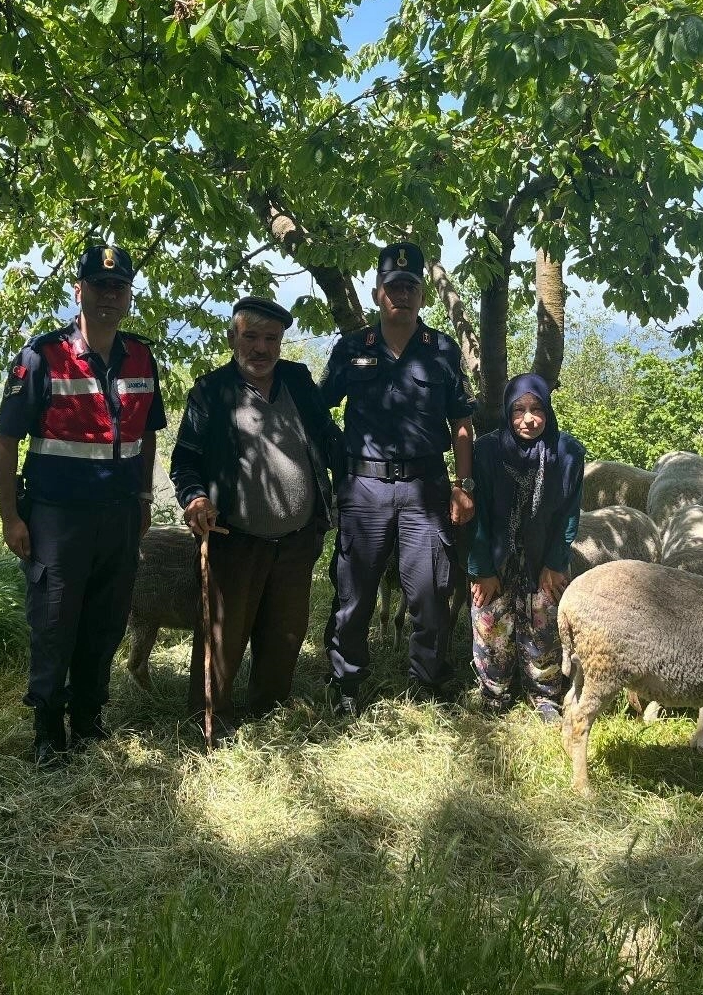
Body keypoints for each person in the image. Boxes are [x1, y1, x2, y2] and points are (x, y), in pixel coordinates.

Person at [0, 243, 166, 769]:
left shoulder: (141, 356)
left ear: (128, 295)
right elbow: (4, 440)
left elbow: (147, 436)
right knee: (54, 623)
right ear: (80, 291)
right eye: (100, 286)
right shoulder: (43, 356)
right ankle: (48, 730)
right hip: (57, 518)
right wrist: (10, 517)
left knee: (106, 622)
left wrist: (142, 498)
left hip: (118, 515)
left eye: (119, 287)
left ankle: (89, 719)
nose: (110, 296)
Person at [170, 296, 342, 736]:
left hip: (298, 538)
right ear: (233, 338)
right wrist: (194, 498)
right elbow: (184, 460)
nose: (262, 348)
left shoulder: (298, 380)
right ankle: (212, 720)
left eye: (271, 338)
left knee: (285, 635)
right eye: (251, 337)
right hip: (234, 537)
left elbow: (326, 435)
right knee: (222, 639)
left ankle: (269, 711)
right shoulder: (211, 391)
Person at [321, 242, 476, 714]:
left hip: (425, 488)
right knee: (354, 591)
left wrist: (464, 486)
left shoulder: (442, 351)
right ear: (377, 294)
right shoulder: (352, 348)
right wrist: (338, 459)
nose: (401, 296)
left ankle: (427, 680)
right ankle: (346, 683)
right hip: (363, 488)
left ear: (422, 296)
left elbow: (462, 424)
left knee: (430, 589)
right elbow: (317, 409)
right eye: (393, 288)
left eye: (410, 288)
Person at [467, 373, 585, 722]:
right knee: (490, 621)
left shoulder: (567, 453)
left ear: (548, 411)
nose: (528, 419)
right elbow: (478, 515)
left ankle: (545, 694)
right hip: (496, 554)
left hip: (542, 554)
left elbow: (568, 513)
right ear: (507, 412)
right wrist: (482, 569)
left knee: (544, 621)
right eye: (518, 410)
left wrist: (556, 561)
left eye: (537, 409)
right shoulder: (486, 451)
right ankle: (495, 692)